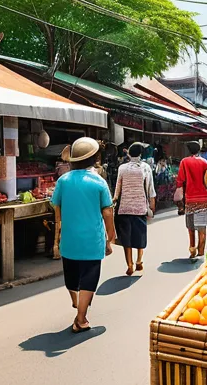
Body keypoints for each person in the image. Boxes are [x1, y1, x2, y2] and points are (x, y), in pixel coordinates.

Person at [52, 137, 116, 333]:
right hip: (92, 240)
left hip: (69, 238)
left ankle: (76, 303)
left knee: (71, 275)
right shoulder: (99, 182)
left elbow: (57, 208)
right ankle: (81, 317)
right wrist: (111, 236)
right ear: (94, 158)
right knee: (89, 276)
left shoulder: (63, 181)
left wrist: (57, 235)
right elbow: (107, 212)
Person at [114, 142, 156, 276]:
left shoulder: (122, 168)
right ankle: (139, 261)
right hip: (140, 208)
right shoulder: (145, 168)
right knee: (140, 236)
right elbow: (150, 188)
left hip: (124, 208)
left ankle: (129, 264)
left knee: (126, 238)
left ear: (128, 154)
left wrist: (114, 200)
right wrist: (152, 205)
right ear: (140, 154)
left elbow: (117, 188)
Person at [176, 141, 207, 258]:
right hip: (204, 198)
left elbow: (180, 180)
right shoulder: (204, 162)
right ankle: (201, 251)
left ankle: (192, 249)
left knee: (191, 226)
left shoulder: (184, 162)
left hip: (190, 198)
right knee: (202, 226)